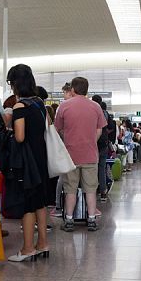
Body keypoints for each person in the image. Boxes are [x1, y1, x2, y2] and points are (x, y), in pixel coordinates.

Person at [6, 64, 50, 261]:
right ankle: (43, 244)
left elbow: (20, 136)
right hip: (41, 158)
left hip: (27, 162)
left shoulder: (20, 107)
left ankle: (27, 248)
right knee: (40, 203)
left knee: (28, 205)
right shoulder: (39, 103)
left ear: (16, 83)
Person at [55, 76, 107, 232]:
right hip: (90, 154)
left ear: (72, 89)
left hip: (70, 155)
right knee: (90, 188)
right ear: (87, 89)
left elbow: (58, 129)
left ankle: (69, 220)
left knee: (70, 188)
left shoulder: (64, 106)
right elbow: (99, 130)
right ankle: (91, 219)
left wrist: (68, 139)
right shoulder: (96, 107)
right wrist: (90, 141)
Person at [94, 95, 110, 201]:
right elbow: (109, 127)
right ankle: (103, 191)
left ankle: (93, 190)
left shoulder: (93, 111)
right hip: (104, 143)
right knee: (102, 168)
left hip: (94, 143)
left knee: (92, 168)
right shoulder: (105, 113)